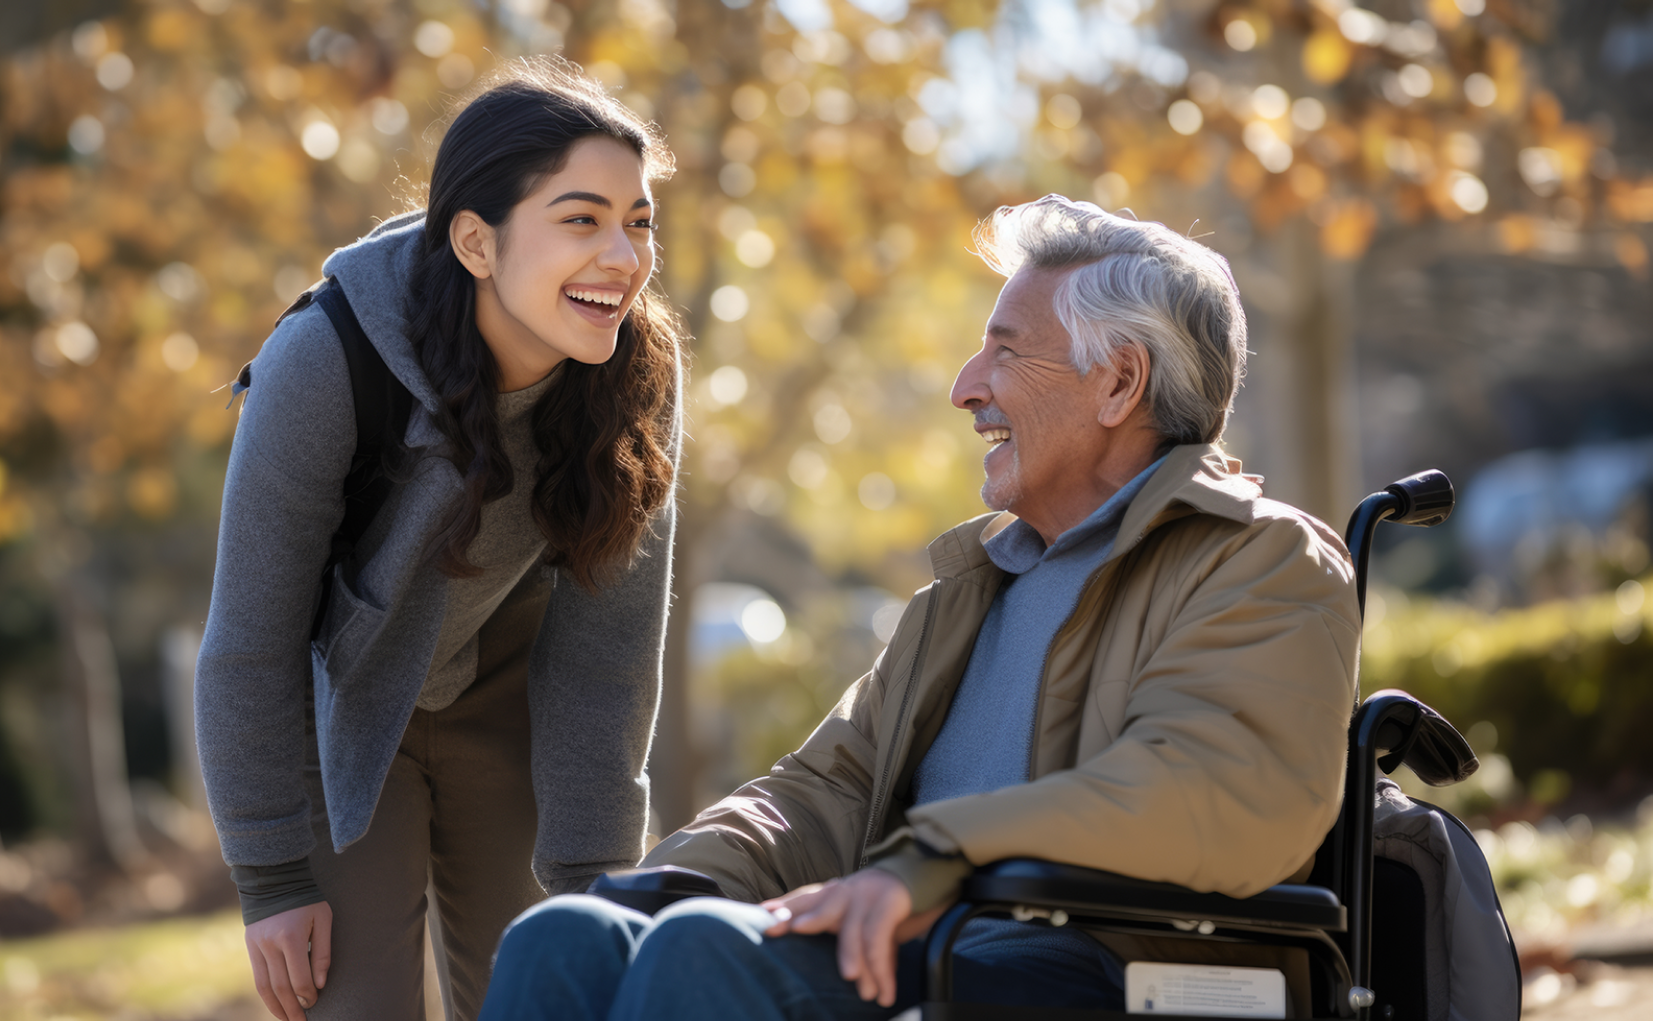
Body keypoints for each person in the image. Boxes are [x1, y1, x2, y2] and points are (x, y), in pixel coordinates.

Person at [479, 196, 1360, 1020]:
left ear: (1119, 382)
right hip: (936, 943)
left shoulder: (1261, 558)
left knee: (707, 954)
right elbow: (826, 786)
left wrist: (937, 856)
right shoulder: (972, 585)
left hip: (1109, 966)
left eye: (1006, 352)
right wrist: (667, 880)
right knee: (572, 936)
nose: (965, 387)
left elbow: (1208, 790)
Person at [195, 62, 682, 1021]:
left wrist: (594, 876)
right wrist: (272, 879)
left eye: (638, 221)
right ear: (475, 239)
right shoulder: (327, 358)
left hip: (508, 689)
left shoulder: (636, 377)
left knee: (554, 993)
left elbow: (608, 656)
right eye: (581, 219)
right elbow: (249, 635)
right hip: (338, 698)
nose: (622, 257)